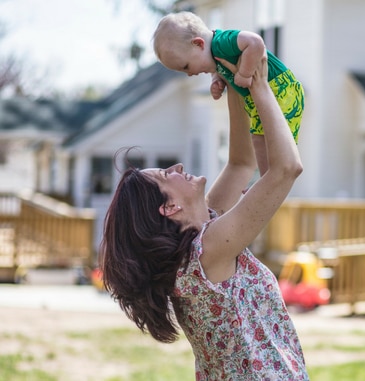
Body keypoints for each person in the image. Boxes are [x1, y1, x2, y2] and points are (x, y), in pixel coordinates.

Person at [100, 56, 309, 380]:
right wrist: (259, 86)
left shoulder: (202, 241)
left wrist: (234, 84)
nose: (179, 168)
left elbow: (241, 163)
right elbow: (286, 169)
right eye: (167, 174)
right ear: (168, 208)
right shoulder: (208, 252)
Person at [152, 11, 305, 176]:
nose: (188, 74)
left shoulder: (222, 42)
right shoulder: (216, 55)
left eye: (186, 66)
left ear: (199, 44)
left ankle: (274, 179)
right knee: (258, 140)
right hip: (261, 100)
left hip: (281, 90)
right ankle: (265, 180)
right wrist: (216, 80)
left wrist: (245, 74)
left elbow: (255, 42)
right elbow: (219, 67)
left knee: (277, 143)